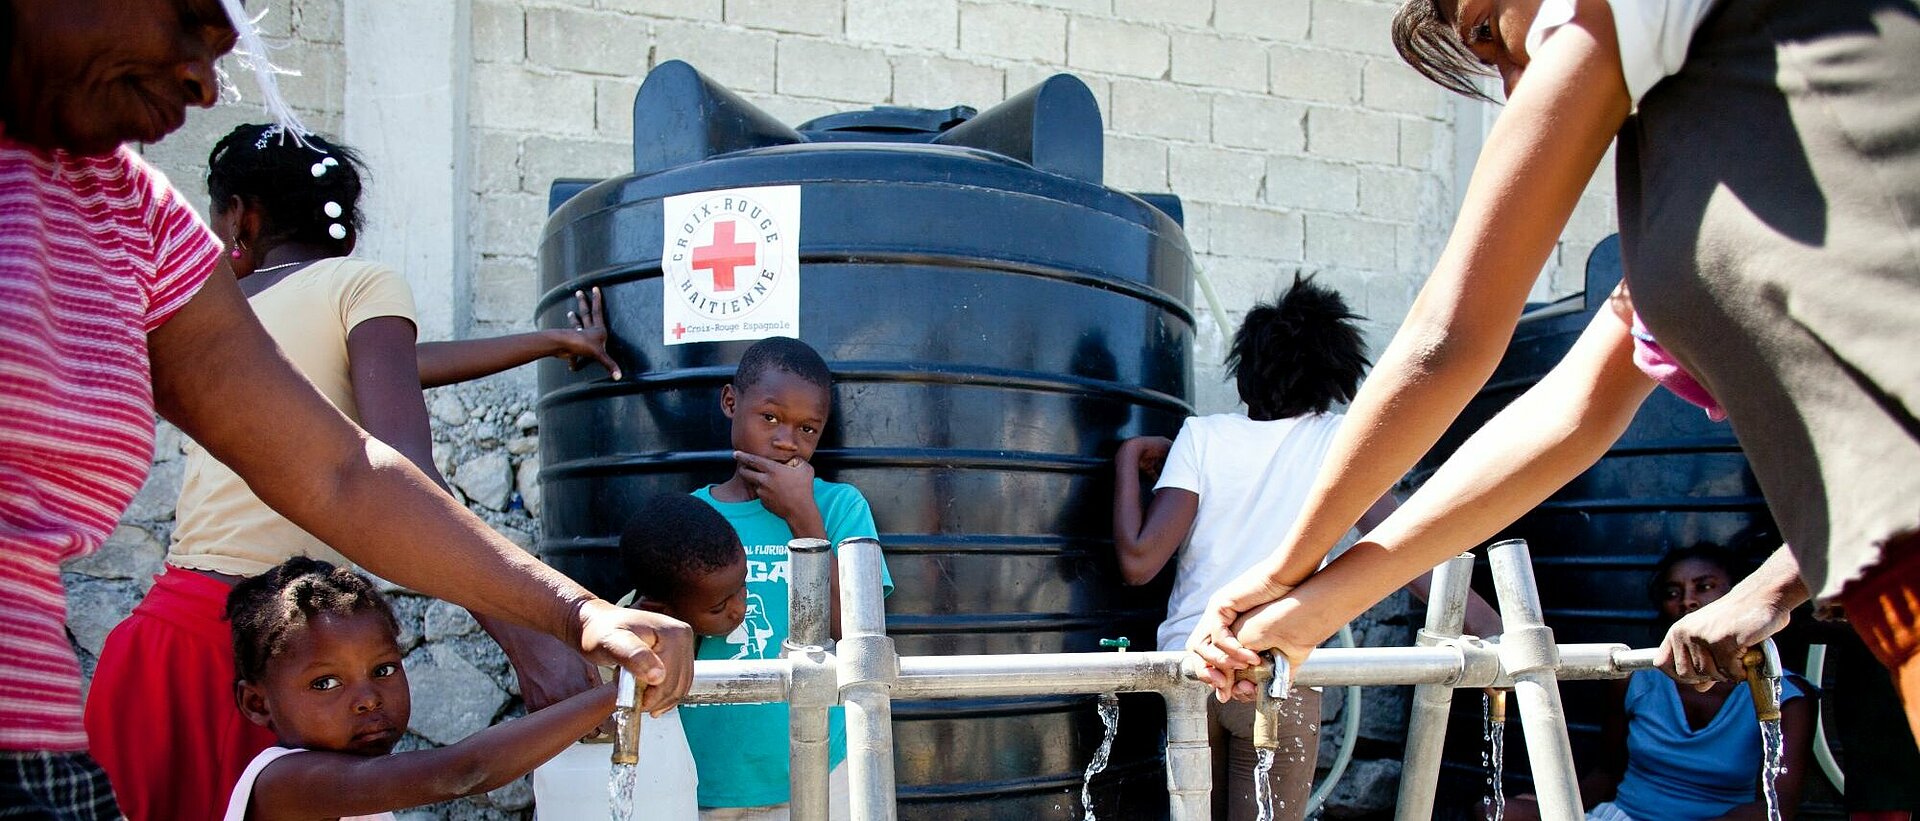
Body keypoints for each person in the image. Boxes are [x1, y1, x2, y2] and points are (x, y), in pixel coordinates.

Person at [0, 4, 689, 815]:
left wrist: (574, 611)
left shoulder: (128, 216)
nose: (205, 83)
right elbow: (392, 436)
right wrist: (537, 641)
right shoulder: (357, 284)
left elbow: (339, 466)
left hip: (74, 719)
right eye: (191, 18)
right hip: (254, 638)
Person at [1186, 0, 1920, 739]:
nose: (1512, 84)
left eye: (1485, 30)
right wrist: (1312, 608)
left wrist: (1286, 569)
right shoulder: (1692, 166)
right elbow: (1568, 417)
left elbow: (1449, 341)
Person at [80, 122, 629, 821]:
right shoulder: (362, 285)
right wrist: (531, 635)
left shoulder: (226, 310)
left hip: (167, 641)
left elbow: (392, 364)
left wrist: (545, 343)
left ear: (243, 215)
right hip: (287, 654)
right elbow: (410, 473)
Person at [1112, 277, 1503, 821]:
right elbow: (1402, 547)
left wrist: (1129, 458)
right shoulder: (1336, 441)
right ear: (1335, 374)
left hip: (1193, 667)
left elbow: (1138, 563)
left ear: (1244, 370)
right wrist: (1493, 630)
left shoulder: (1201, 437)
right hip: (1279, 673)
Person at [218, 557, 619, 821]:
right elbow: (466, 770)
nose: (369, 699)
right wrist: (614, 694)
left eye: (383, 669)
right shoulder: (285, 784)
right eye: (326, 683)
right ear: (257, 704)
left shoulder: (355, 784)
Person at [685, 336, 893, 820]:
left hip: (822, 761)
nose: (786, 441)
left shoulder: (839, 508)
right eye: (771, 418)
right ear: (731, 402)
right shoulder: (693, 515)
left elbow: (858, 634)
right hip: (711, 771)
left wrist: (804, 519)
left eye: (807, 428)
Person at [1506, 545, 1814, 821]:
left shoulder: (1784, 695)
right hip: (1623, 815)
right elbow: (1607, 772)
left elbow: (1778, 806)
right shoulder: (1636, 679)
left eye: (1704, 586)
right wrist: (1552, 807)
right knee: (1499, 812)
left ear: (1737, 594)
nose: (1687, 601)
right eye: (1672, 592)